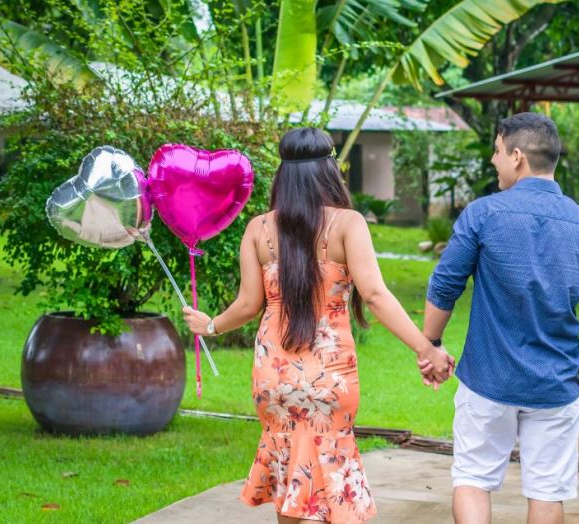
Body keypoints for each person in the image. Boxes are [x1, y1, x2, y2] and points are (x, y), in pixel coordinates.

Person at [183, 127, 454, 524]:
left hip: (274, 376)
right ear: (329, 171)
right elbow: (375, 295)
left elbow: (247, 305)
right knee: (329, 481)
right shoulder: (347, 224)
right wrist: (425, 347)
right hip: (330, 376)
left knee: (291, 477)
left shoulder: (259, 229)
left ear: (282, 175)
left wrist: (211, 326)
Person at [420, 112, 579, 524]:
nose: (493, 160)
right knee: (547, 492)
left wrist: (432, 345)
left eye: (497, 151)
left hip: (487, 380)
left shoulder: (482, 215)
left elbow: (445, 285)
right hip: (555, 386)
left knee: (473, 479)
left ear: (517, 157)